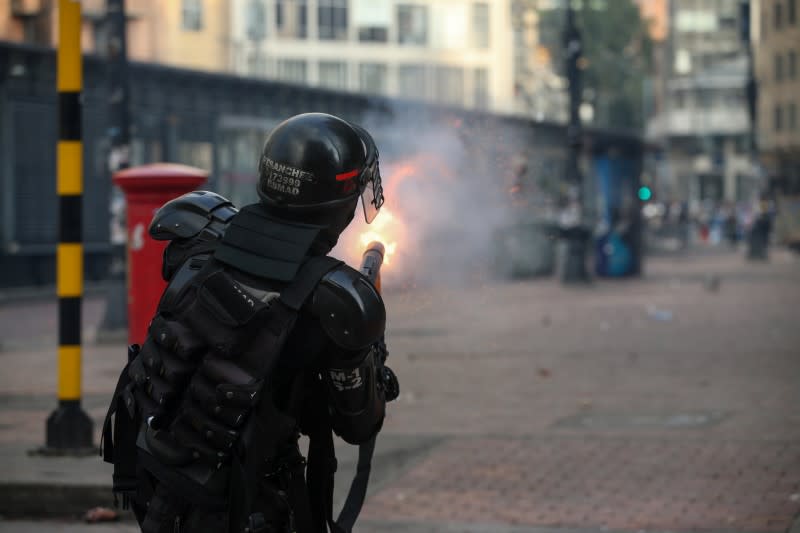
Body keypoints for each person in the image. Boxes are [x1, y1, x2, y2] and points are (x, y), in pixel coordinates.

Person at [102, 113, 399, 533]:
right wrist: (368, 351)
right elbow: (359, 423)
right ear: (341, 201)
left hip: (154, 474)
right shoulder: (336, 299)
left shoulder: (199, 229)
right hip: (245, 505)